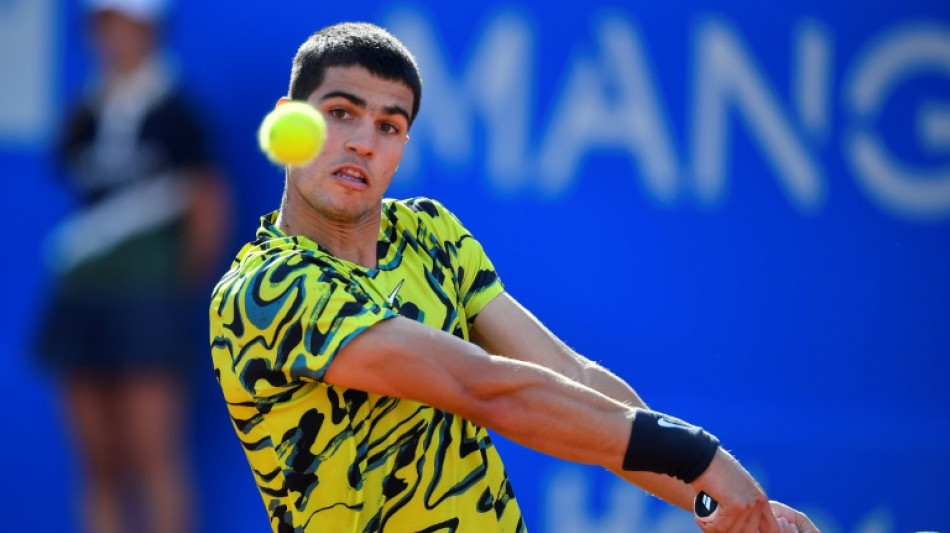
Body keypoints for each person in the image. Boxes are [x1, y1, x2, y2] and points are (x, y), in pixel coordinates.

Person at [209, 21, 818, 533]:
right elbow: (486, 389)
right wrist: (699, 456)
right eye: (341, 113)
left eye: (390, 126)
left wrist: (730, 508)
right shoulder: (264, 293)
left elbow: (572, 379)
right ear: (291, 122)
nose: (364, 142)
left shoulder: (429, 233)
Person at [35, 0, 231, 532]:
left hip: (148, 301)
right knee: (97, 464)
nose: (115, 36)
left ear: (152, 30)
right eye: (105, 25)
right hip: (80, 296)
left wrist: (171, 288)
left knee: (153, 458)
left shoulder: (180, 114)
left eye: (128, 25)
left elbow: (208, 203)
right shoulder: (84, 111)